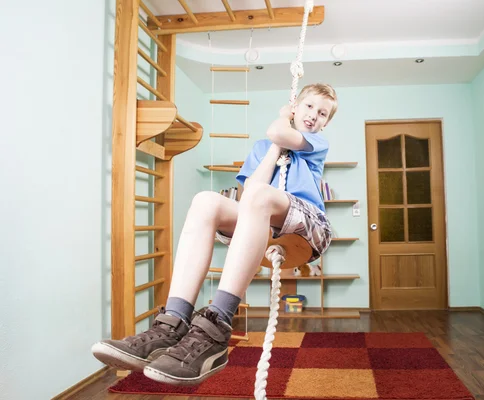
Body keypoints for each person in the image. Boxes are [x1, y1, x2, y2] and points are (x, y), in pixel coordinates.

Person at [92, 83, 338, 386]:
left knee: (260, 195)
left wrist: (283, 118)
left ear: (326, 122)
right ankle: (172, 322)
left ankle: (217, 322)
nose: (314, 115)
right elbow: (249, 193)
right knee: (206, 201)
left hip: (306, 224)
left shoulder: (315, 142)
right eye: (309, 107)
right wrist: (275, 150)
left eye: (322, 113)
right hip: (262, 216)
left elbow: (278, 135)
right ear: (297, 106)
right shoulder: (266, 146)